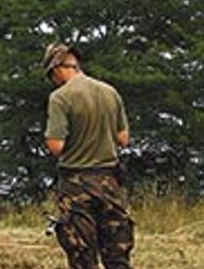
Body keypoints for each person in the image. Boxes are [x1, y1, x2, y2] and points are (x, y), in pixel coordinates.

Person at [43, 43, 134, 269]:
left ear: (56, 68)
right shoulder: (109, 92)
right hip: (110, 184)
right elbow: (123, 139)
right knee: (117, 257)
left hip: (76, 186)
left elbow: (56, 146)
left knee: (82, 257)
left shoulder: (60, 98)